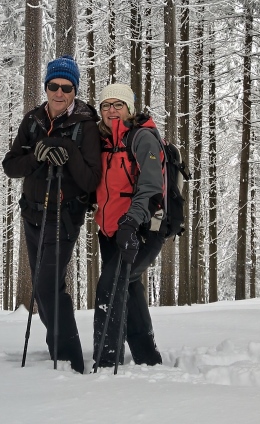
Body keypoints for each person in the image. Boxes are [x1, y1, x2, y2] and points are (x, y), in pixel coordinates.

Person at [1, 55, 100, 374]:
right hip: (32, 216)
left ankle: (71, 359)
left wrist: (68, 151)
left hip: (64, 218)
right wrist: (37, 154)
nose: (59, 93)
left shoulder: (86, 125)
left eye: (66, 87)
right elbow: (10, 166)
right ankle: (59, 347)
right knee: (42, 290)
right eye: (53, 86)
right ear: (46, 87)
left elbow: (91, 180)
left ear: (75, 90)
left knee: (47, 288)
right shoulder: (33, 120)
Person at [92, 83, 165, 368]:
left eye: (118, 105)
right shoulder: (103, 142)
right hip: (110, 232)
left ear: (129, 109)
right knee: (128, 285)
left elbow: (151, 187)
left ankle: (106, 361)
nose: (111, 110)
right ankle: (148, 357)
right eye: (106, 105)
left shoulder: (142, 138)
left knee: (109, 287)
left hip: (142, 230)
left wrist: (131, 223)